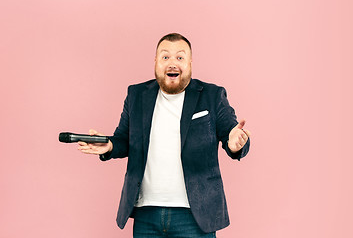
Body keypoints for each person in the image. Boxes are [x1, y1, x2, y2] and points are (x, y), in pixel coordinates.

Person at [78, 33, 251, 238]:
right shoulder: (136, 94)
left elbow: (232, 134)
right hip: (146, 214)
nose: (172, 63)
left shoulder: (212, 96)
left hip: (195, 215)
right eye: (165, 57)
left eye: (180, 57)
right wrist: (108, 146)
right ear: (156, 62)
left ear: (190, 63)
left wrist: (236, 143)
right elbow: (123, 140)